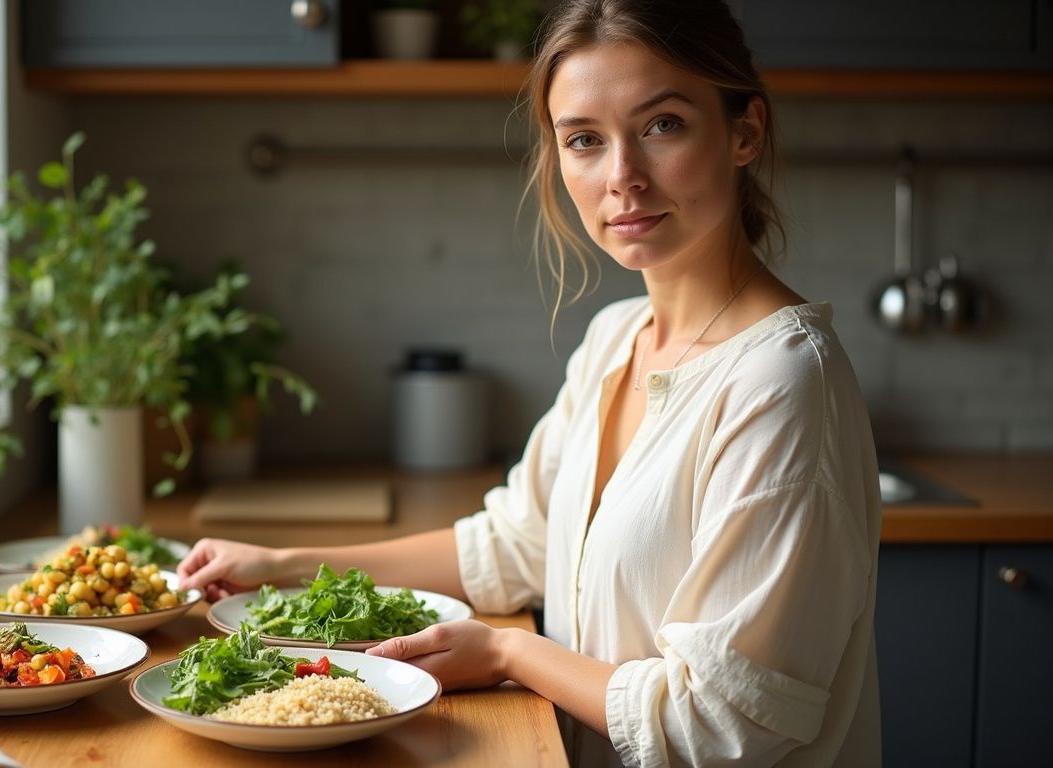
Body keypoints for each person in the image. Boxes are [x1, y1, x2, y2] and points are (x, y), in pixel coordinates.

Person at [177, 1, 882, 765]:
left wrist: (512, 656)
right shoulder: (617, 338)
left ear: (744, 132)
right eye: (584, 139)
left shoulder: (782, 380)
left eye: (662, 125)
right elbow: (517, 543)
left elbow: (720, 722)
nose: (623, 178)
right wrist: (281, 568)